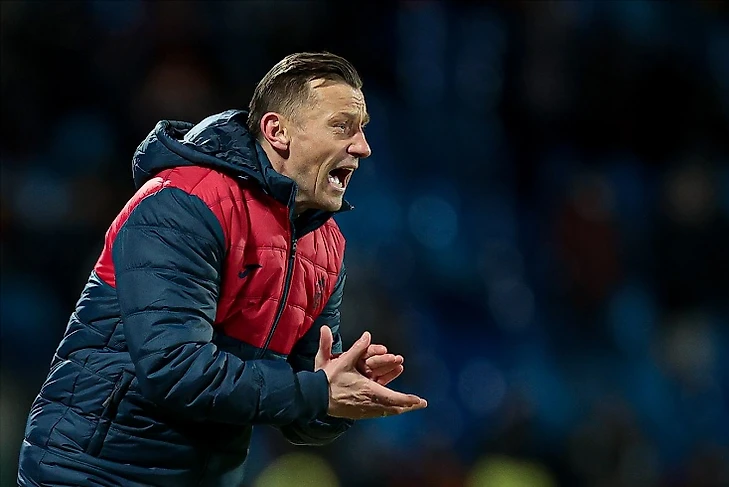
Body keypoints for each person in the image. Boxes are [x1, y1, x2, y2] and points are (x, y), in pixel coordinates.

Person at [17, 51, 427, 487]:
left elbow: (300, 410)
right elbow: (173, 370)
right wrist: (316, 390)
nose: (363, 147)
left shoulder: (325, 247)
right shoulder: (183, 203)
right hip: (93, 471)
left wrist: (340, 392)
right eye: (342, 126)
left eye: (362, 128)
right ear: (277, 131)